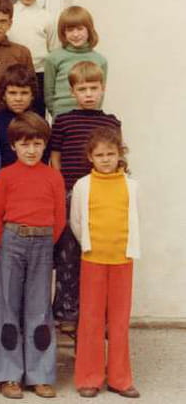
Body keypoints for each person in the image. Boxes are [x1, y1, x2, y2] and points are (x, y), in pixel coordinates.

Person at [0, 112, 66, 399]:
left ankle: (39, 374)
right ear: (13, 146)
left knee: (39, 307)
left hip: (43, 242)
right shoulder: (6, 175)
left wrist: (45, 241)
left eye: (37, 144)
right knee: (7, 305)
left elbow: (60, 218)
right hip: (12, 241)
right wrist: (7, 243)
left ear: (45, 145)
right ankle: (9, 374)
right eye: (25, 144)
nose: (31, 150)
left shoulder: (53, 177)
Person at [49, 60, 121, 330]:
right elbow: (55, 158)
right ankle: (66, 311)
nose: (88, 94)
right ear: (72, 92)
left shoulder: (111, 122)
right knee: (68, 252)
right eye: (82, 89)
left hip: (101, 196)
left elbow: (117, 158)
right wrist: (61, 190)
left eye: (93, 88)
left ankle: (95, 311)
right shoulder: (63, 121)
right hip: (70, 194)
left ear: (103, 88)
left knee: (95, 253)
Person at [70, 127, 141, 399]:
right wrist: (90, 245)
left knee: (119, 321)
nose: (106, 159)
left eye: (111, 154)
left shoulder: (131, 185)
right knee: (91, 319)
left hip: (122, 259)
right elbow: (76, 222)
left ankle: (120, 379)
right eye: (99, 155)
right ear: (90, 157)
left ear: (120, 154)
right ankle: (89, 377)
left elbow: (133, 219)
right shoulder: (83, 185)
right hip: (93, 259)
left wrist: (126, 248)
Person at [5, 0, 58, 116]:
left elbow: (54, 52)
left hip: (39, 76)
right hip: (12, 77)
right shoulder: (8, 15)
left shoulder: (48, 18)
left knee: (36, 120)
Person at [45, 6, 107, 119]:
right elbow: (48, 93)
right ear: (63, 33)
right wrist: (55, 112)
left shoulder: (100, 60)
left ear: (89, 30)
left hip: (90, 115)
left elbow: (101, 93)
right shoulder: (53, 58)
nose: (75, 34)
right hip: (62, 115)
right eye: (70, 30)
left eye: (80, 29)